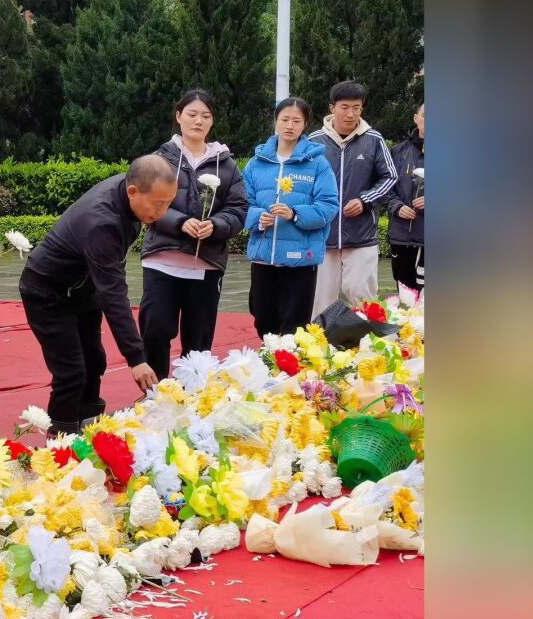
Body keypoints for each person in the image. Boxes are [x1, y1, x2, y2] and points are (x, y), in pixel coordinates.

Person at [19, 155, 177, 436]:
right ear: (132, 191)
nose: (163, 212)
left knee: (94, 362)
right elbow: (113, 292)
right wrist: (136, 358)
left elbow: (109, 282)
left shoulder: (129, 197)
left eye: (168, 203)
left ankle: (90, 435)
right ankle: (61, 445)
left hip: (82, 288)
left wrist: (134, 355)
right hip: (47, 292)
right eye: (158, 204)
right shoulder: (102, 223)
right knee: (71, 372)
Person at [138, 90, 247, 378]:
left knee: (198, 341)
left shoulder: (226, 164)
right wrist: (179, 222)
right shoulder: (159, 160)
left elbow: (238, 208)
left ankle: (193, 397)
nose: (198, 121)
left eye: (206, 116)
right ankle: (156, 392)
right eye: (192, 114)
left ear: (212, 122)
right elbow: (144, 201)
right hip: (162, 260)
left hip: (206, 264)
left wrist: (217, 225)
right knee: (156, 329)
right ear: (178, 116)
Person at [243, 98, 340, 337]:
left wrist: (294, 213)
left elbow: (329, 206)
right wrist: (258, 218)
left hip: (301, 260)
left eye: (296, 121)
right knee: (263, 319)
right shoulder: (256, 164)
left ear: (305, 124)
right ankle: (267, 367)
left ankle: (291, 369)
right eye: (284, 119)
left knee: (295, 326)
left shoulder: (317, 164)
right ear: (276, 121)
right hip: (264, 257)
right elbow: (242, 204)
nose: (289, 125)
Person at [308, 80, 398, 316]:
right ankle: (318, 349)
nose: (350, 114)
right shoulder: (313, 142)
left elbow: (390, 177)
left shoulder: (373, 139)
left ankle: (373, 348)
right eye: (344, 107)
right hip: (322, 236)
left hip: (361, 236)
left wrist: (365, 200)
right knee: (319, 302)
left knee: (364, 298)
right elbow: (301, 182)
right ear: (332, 108)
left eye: (356, 108)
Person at [385, 102, 425, 292]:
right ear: (416, 118)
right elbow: (384, 188)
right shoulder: (397, 152)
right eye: (425, 115)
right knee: (406, 300)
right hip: (402, 238)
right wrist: (397, 207)